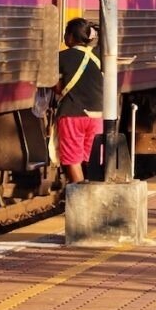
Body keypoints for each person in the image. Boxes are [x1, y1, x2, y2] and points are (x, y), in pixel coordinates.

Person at [54, 18, 103, 185]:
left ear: (71, 36)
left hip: (72, 115)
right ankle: (94, 196)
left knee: (73, 159)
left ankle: (81, 199)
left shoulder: (62, 57)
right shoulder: (99, 57)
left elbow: (58, 87)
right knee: (92, 159)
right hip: (97, 116)